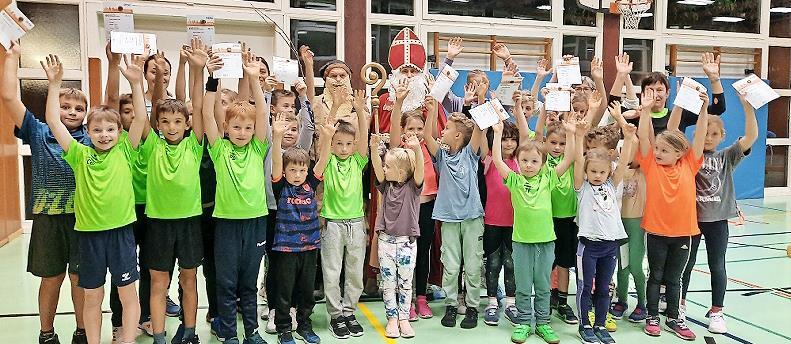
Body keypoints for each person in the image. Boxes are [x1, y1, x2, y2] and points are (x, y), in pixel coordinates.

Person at [46, 53, 148, 344]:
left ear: (119, 131)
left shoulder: (125, 151)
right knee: (93, 296)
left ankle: (127, 340)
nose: (104, 135)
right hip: (89, 237)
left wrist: (137, 85)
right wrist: (54, 85)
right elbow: (54, 121)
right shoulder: (79, 154)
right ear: (88, 133)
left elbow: (140, 117)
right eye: (97, 130)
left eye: (110, 129)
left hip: (121, 234)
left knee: (128, 294)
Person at [1, 42, 88, 344]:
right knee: (52, 278)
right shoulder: (37, 131)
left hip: (83, 219)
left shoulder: (91, 139)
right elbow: (9, 96)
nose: (72, 112)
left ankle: (82, 330)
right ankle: (47, 333)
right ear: (54, 108)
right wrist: (11, 56)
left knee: (80, 279)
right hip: (49, 219)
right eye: (65, 106)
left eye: (78, 108)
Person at [139, 39, 210, 344]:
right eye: (165, 122)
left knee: (189, 279)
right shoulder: (152, 143)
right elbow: (155, 106)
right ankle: (158, 336)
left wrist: (197, 69)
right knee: (158, 281)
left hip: (189, 222)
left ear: (186, 124)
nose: (171, 126)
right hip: (158, 222)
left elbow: (196, 99)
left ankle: (191, 332)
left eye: (178, 121)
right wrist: (155, 75)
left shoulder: (194, 145)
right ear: (158, 124)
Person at [202, 51, 271, 344]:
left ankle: (252, 332)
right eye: (236, 127)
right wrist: (212, 78)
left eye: (247, 127)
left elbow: (264, 115)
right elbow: (207, 113)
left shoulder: (258, 149)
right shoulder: (219, 150)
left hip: (255, 222)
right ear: (226, 128)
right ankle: (229, 333)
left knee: (248, 282)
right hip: (227, 224)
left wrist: (254, 78)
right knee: (226, 282)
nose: (242, 132)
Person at [491, 115, 576, 344]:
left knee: (542, 284)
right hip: (521, 242)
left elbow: (568, 160)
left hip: (546, 241)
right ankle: (523, 323)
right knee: (523, 284)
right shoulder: (515, 180)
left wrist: (570, 132)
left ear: (543, 163)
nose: (529, 165)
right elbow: (498, 162)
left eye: (534, 161)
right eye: (525, 160)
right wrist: (497, 133)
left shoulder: (548, 177)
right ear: (518, 162)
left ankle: (543, 323)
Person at [677, 92, 758, 334]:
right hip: (691, 220)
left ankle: (717, 311)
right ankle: (679, 305)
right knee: (686, 265)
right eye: (706, 134)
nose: (709, 138)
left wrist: (747, 107)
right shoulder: (690, 157)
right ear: (697, 136)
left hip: (718, 221)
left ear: (722, 137)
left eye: (715, 134)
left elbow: (752, 136)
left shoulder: (727, 157)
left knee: (717, 265)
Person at [635, 88, 709, 340]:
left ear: (680, 153)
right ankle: (652, 316)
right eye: (657, 149)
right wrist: (645, 111)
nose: (657, 153)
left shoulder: (690, 163)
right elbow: (644, 138)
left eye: (664, 151)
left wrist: (703, 110)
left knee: (675, 278)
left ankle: (674, 318)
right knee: (655, 276)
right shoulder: (650, 165)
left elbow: (699, 136)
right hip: (656, 232)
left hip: (684, 234)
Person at [422, 96, 485, 329]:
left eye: (446, 128)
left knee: (473, 264)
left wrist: (480, 99)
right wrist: (431, 111)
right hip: (448, 218)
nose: (443, 131)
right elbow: (427, 136)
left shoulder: (470, 154)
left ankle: (471, 307)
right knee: (450, 264)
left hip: (472, 218)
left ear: (458, 135)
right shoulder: (442, 156)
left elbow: (478, 129)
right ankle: (450, 304)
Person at [314, 86, 370, 339]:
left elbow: (364, 137)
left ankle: (349, 312)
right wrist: (335, 108)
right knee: (332, 271)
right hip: (333, 224)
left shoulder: (358, 161)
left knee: (355, 272)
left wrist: (359, 111)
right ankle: (336, 315)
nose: (344, 148)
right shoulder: (328, 161)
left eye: (349, 144)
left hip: (356, 223)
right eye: (339, 144)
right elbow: (326, 133)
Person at [573, 118, 636, 344]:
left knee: (604, 287)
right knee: (584, 287)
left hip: (610, 246)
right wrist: (579, 136)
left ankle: (600, 324)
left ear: (608, 172)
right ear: (587, 171)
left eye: (602, 171)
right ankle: (585, 325)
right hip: (588, 246)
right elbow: (578, 164)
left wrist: (628, 138)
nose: (598, 175)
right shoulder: (582, 187)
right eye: (594, 171)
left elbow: (623, 163)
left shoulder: (612, 184)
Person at [269, 114, 322, 344]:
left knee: (306, 290)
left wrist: (327, 139)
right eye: (293, 171)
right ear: (286, 172)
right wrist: (277, 137)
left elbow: (322, 162)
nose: (298, 175)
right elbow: (276, 166)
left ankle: (304, 324)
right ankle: (284, 327)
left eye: (302, 171)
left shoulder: (311, 184)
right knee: (284, 291)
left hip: (309, 248)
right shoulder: (281, 187)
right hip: (286, 250)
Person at [370, 132, 424, 338]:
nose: (384, 169)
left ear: (401, 172)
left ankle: (403, 317)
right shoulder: (386, 186)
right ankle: (392, 318)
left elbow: (419, 170)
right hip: (386, 242)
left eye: (388, 166)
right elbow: (376, 166)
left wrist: (417, 149)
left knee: (405, 283)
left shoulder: (413, 188)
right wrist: (374, 148)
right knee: (389, 283)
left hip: (407, 244)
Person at [605, 103, 649, 324]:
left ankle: (642, 303)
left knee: (634, 265)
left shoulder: (644, 170)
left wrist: (628, 121)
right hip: (617, 223)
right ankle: (622, 300)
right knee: (622, 266)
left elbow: (637, 139)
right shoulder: (615, 170)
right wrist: (617, 119)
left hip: (636, 222)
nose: (627, 152)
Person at [479, 119, 520, 326]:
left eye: (513, 139)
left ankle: (511, 303)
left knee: (511, 264)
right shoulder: (489, 160)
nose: (509, 144)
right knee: (493, 263)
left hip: (515, 224)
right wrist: (495, 130)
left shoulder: (522, 162)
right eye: (505, 139)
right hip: (492, 222)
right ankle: (492, 302)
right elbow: (490, 147)